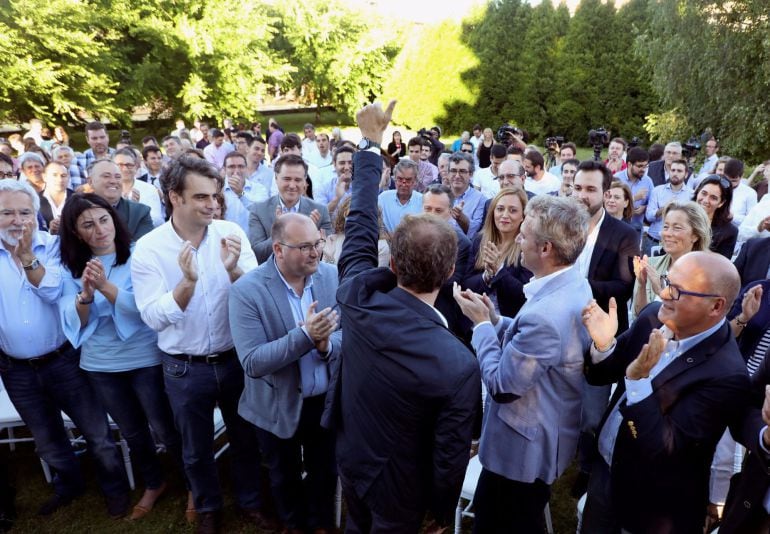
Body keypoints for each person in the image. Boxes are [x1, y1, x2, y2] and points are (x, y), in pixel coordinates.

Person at [324, 101, 480, 533]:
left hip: (353, 461)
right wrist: (441, 510)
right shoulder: (458, 364)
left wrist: (371, 144)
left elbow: (358, 225)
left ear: (392, 263)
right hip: (398, 492)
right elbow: (449, 458)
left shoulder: (356, 297)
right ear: (450, 272)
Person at [131, 156, 270, 534]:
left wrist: (233, 270)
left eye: (216, 195)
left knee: (245, 438)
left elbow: (257, 295)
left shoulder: (230, 233)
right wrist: (187, 284)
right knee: (194, 449)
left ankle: (250, 502)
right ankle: (208, 508)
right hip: (184, 367)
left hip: (234, 359)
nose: (212, 204)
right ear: (174, 197)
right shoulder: (148, 249)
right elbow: (151, 317)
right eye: (202, 197)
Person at [580, 251, 749, 533]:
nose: (665, 293)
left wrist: (637, 381)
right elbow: (601, 375)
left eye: (678, 290)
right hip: (604, 472)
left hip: (650, 507)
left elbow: (664, 448)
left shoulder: (727, 375)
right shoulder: (651, 317)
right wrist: (603, 344)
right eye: (668, 281)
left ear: (716, 306)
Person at [454, 193, 593, 533]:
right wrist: (497, 320)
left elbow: (503, 387)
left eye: (525, 234)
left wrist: (481, 326)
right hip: (543, 438)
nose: (517, 238)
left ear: (545, 249)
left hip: (520, 453)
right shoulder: (574, 282)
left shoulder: (547, 313)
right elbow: (543, 349)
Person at [0, 179, 130, 519]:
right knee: (46, 439)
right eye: (7, 213)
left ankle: (115, 488)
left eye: (25, 212)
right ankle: (69, 484)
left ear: (36, 213)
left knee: (97, 433)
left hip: (63, 360)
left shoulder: (56, 248)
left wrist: (27, 257)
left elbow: (52, 290)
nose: (17, 220)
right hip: (16, 368)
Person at [57, 193, 182, 521]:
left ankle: (193, 484)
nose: (99, 229)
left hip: (144, 357)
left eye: (103, 219)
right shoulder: (70, 267)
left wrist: (106, 287)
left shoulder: (140, 255)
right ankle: (154, 483)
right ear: (75, 232)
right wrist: (85, 295)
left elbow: (146, 310)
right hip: (101, 363)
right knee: (133, 431)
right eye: (87, 224)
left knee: (165, 427)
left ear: (114, 219)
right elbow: (74, 323)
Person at [230, 212, 340, 534]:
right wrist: (305, 336)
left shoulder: (330, 276)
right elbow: (252, 361)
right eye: (304, 247)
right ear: (278, 250)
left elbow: (347, 333)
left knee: (324, 471)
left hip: (323, 401)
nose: (314, 253)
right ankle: (293, 526)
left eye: (317, 244)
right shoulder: (246, 291)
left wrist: (325, 345)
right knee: (283, 475)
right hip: (276, 404)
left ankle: (320, 525)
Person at [632, 201, 711, 318]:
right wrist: (642, 285)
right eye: (666, 227)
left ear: (695, 235)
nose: (668, 233)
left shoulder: (705, 276)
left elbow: (690, 322)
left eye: (677, 228)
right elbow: (639, 315)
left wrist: (661, 292)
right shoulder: (651, 264)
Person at [248, 154, 332, 263]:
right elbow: (257, 254)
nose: (292, 185)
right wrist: (280, 231)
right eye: (287, 179)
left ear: (305, 181)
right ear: (276, 178)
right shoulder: (258, 210)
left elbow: (328, 254)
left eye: (297, 180)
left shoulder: (320, 211)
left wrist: (309, 232)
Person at [463, 187, 531, 319]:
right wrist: (487, 275)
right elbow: (466, 283)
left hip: (508, 322)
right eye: (500, 209)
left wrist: (498, 271)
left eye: (513, 210)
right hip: (474, 319)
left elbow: (524, 294)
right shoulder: (479, 240)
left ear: (523, 215)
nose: (505, 215)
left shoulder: (527, 246)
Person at [88, 159, 153, 242]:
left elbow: (144, 248)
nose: (113, 181)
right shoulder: (78, 211)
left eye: (118, 177)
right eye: (106, 176)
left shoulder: (140, 212)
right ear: (90, 182)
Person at [323, 196, 390, 267]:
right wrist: (329, 259)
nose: (354, 221)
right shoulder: (333, 240)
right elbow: (326, 275)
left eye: (361, 217)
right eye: (350, 215)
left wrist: (330, 261)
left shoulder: (380, 246)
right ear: (344, 216)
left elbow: (374, 277)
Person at [643, 158, 692, 255]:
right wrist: (666, 208)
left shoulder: (691, 195)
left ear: (686, 174)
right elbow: (649, 216)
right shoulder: (657, 191)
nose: (675, 173)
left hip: (677, 243)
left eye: (679, 171)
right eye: (673, 170)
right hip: (654, 240)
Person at [693, 175, 738, 258]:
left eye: (713, 198)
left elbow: (721, 266)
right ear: (698, 191)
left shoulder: (729, 232)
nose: (706, 200)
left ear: (721, 203)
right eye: (704, 193)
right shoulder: (681, 215)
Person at [377, 159, 423, 232]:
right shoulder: (383, 199)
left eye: (408, 180)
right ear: (394, 178)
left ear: (415, 181)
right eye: (400, 179)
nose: (403, 184)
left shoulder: (423, 201)